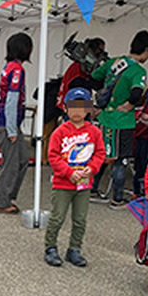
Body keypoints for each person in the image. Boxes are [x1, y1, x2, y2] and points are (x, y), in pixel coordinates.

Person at [90, 30, 148, 208]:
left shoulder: (115, 62)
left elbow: (95, 77)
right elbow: (136, 92)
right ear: (146, 50)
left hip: (105, 117)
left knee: (103, 154)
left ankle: (93, 188)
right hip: (123, 120)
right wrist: (128, 104)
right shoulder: (138, 71)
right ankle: (117, 198)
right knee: (122, 160)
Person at [44, 88, 106, 268]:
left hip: (84, 185)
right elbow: (53, 156)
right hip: (63, 183)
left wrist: (91, 168)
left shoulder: (94, 131)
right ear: (65, 108)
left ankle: (74, 249)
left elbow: (100, 153)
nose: (77, 111)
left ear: (88, 109)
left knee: (80, 219)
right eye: (73, 107)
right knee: (57, 217)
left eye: (82, 107)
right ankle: (50, 247)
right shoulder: (60, 131)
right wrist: (69, 173)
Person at [0, 32, 33, 214]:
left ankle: (7, 196)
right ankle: (1, 201)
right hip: (8, 123)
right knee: (12, 163)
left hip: (7, 122)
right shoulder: (16, 70)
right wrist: (11, 129)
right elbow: (11, 100)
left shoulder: (9, 67)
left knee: (22, 159)